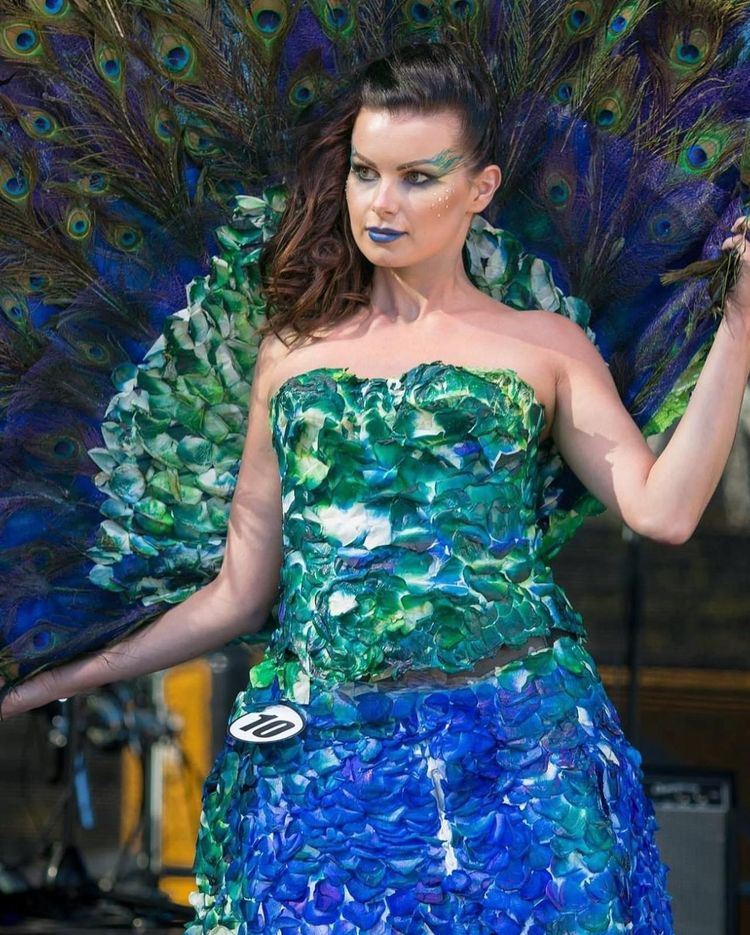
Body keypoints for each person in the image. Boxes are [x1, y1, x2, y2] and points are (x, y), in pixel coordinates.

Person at [2, 42, 749, 934]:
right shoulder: (292, 354)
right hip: (324, 763)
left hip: (521, 756)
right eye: (365, 172)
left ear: (481, 188)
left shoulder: (545, 345)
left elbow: (662, 511)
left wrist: (739, 328)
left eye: (417, 177)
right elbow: (241, 594)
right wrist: (53, 679)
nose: (381, 203)